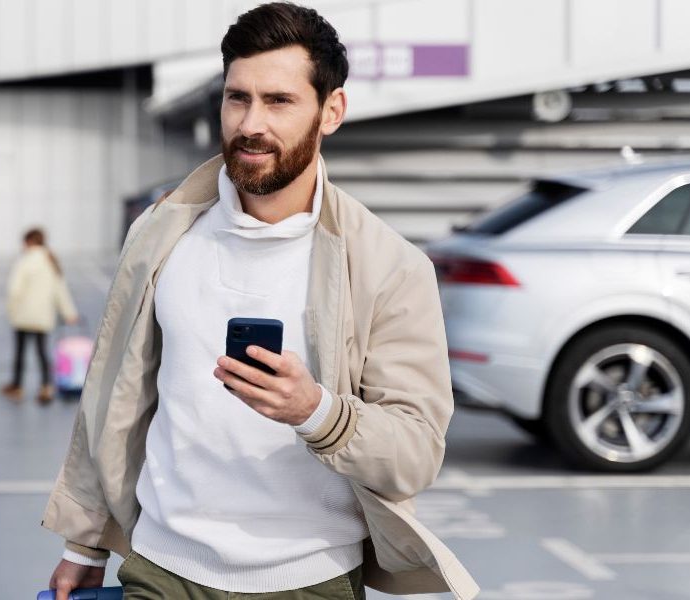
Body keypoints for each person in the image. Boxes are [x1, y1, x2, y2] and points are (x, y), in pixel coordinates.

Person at [42, 3, 479, 600]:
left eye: (279, 101)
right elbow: (115, 394)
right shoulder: (160, 233)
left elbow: (414, 455)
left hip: (309, 578)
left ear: (332, 111)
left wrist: (316, 411)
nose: (251, 123)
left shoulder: (390, 268)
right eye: (237, 97)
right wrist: (84, 543)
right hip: (162, 567)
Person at [1, 228, 79, 405]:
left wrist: (11, 310)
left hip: (22, 315)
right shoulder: (50, 261)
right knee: (42, 352)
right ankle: (46, 386)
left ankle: (17, 386)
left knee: (20, 352)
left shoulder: (24, 261)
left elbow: (14, 290)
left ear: (29, 242)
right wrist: (69, 313)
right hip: (43, 316)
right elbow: (60, 290)